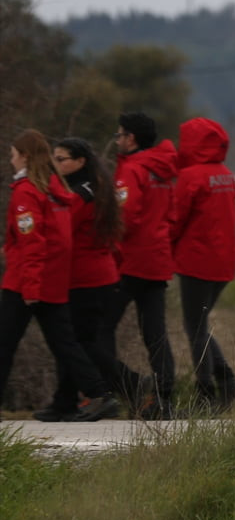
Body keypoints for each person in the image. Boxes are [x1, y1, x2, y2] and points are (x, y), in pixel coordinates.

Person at [0, 129, 120, 422]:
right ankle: (99, 392)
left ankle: (98, 393)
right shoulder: (57, 191)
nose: (11, 160)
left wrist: (29, 286)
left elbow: (33, 242)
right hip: (52, 280)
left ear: (25, 157)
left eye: (13, 155)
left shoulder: (27, 192)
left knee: (4, 342)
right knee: (64, 343)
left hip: (26, 282)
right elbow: (59, 240)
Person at [35, 138, 124, 421]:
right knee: (75, 342)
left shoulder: (79, 194)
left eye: (62, 160)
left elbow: (62, 228)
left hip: (87, 278)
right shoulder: (94, 186)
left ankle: (132, 384)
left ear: (80, 161)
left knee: (78, 344)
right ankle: (64, 401)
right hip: (94, 274)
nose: (56, 165)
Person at [173, 117, 235, 412]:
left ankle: (206, 394)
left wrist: (162, 250)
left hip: (196, 261)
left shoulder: (190, 177)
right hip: (224, 261)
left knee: (195, 328)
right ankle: (229, 384)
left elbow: (175, 221)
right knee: (200, 325)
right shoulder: (226, 175)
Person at [111, 112, 179, 419]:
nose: (118, 140)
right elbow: (172, 214)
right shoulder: (164, 170)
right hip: (158, 258)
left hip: (130, 261)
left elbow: (125, 218)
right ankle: (163, 398)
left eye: (120, 135)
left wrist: (109, 248)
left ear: (131, 138)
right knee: (155, 334)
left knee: (96, 330)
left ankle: (125, 387)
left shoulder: (132, 169)